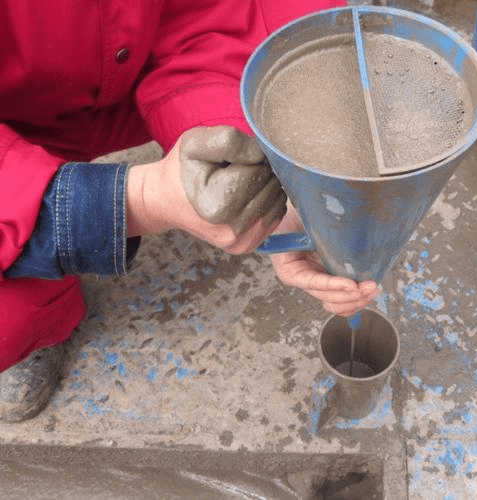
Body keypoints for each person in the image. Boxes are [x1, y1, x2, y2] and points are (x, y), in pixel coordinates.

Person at [0, 0, 378, 422]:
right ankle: (43, 315)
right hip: (15, 112)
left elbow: (215, 12)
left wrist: (256, 177)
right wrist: (133, 201)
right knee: (9, 318)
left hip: (119, 63)